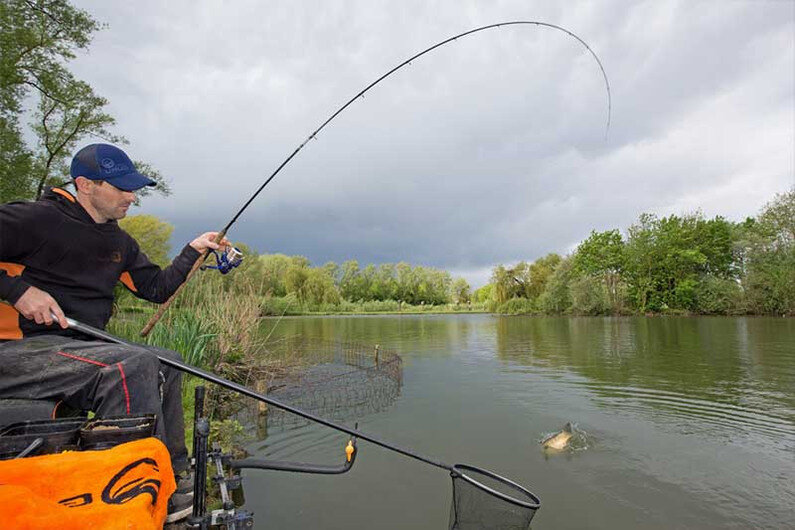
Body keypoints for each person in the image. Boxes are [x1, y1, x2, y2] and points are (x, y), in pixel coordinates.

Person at [0, 143, 228, 522]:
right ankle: (128, 495)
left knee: (167, 361)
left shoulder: (118, 241)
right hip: (17, 351)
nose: (131, 196)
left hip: (80, 351)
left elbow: (155, 288)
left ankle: (169, 476)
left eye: (133, 188)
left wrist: (193, 250)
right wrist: (16, 291)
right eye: (121, 188)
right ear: (85, 185)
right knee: (129, 365)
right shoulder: (34, 219)